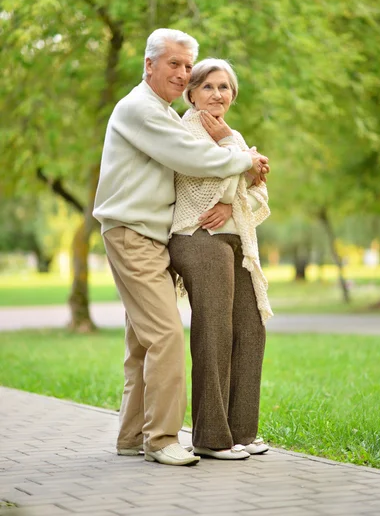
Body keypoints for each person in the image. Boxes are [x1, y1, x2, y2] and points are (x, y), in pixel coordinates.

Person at [92, 29, 270, 467]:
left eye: (188, 64)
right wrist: (245, 159)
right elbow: (192, 161)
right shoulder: (140, 110)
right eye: (175, 64)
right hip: (133, 232)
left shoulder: (165, 113)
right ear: (149, 64)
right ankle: (162, 439)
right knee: (167, 336)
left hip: (153, 236)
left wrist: (238, 170)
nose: (183, 72)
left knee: (141, 344)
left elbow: (238, 188)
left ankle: (131, 436)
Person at [169, 58, 273, 460]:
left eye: (224, 87)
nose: (217, 95)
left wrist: (234, 203)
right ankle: (211, 437)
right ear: (191, 92)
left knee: (251, 329)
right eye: (208, 87)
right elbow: (212, 175)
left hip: (235, 239)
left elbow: (257, 191)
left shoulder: (231, 133)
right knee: (214, 332)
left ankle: (243, 432)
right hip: (196, 237)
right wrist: (244, 158)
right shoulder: (184, 130)